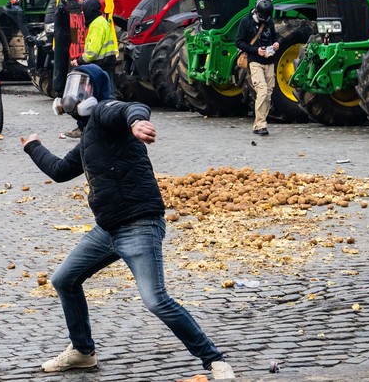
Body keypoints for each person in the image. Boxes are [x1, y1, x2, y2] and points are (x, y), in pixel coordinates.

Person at [18, 65, 235, 380]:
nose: (75, 92)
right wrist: (33, 147)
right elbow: (61, 170)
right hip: (108, 229)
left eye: (84, 85)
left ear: (98, 90)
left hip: (139, 224)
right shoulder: (90, 135)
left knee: (155, 300)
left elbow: (131, 108)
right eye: (72, 84)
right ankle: (82, 352)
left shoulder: (106, 111)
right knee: (64, 280)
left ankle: (214, 360)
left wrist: (136, 123)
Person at [64, 0, 118, 138]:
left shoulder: (96, 25)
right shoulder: (102, 22)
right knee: (107, 97)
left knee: (90, 98)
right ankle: (107, 126)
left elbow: (92, 52)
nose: (83, 14)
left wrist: (79, 61)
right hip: (106, 64)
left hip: (99, 66)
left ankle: (85, 128)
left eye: (84, 11)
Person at [235, 0, 280, 136]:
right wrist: (256, 50)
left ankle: (260, 123)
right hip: (255, 61)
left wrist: (276, 44)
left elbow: (275, 36)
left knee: (269, 93)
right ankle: (260, 125)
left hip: (269, 61)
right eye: (262, 17)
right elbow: (239, 42)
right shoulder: (246, 22)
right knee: (262, 90)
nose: (264, 20)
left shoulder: (269, 22)